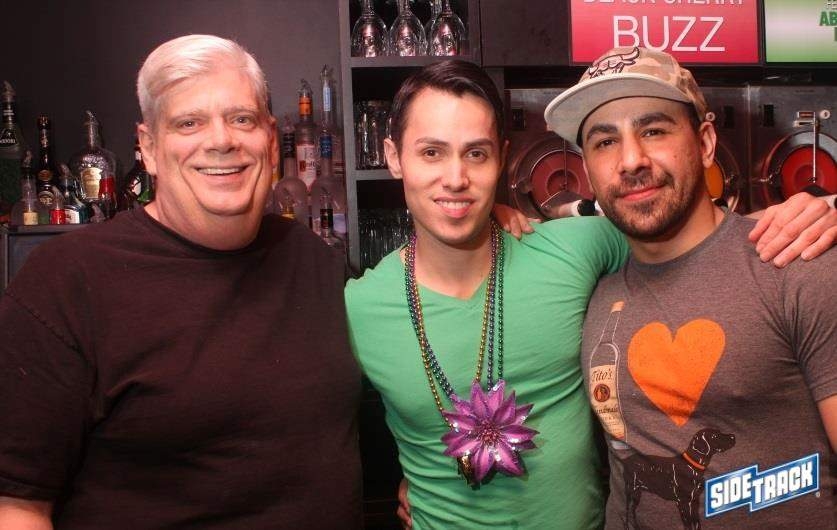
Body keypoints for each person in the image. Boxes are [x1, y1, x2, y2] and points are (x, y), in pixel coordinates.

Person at [345, 59, 834, 530]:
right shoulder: (354, 307)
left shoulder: (578, 250)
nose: (456, 178)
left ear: (501, 158)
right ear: (394, 157)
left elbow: (689, 229)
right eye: (431, 152)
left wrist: (823, 208)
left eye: (476, 154)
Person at [0, 35, 361, 529]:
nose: (221, 141)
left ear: (270, 138)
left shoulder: (316, 261)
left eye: (241, 119)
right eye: (189, 123)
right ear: (148, 148)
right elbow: (15, 505)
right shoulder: (66, 281)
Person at [542, 46, 836, 528]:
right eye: (605, 141)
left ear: (705, 144)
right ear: (588, 170)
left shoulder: (795, 262)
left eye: (653, 131)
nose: (631, 160)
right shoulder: (596, 291)